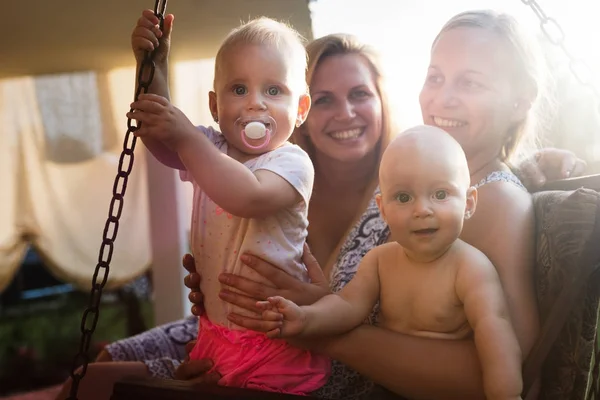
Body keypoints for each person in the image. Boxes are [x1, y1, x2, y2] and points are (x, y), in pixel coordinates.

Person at [57, 9, 587, 400]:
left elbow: (507, 374)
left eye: (469, 82)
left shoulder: (488, 198)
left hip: (304, 372)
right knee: (98, 377)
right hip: (255, 344)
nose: (443, 97)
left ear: (520, 99)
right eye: (435, 77)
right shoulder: (413, 181)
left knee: (103, 388)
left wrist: (314, 323)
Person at [124, 9, 329, 395]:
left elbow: (248, 195)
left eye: (274, 90)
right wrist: (152, 65)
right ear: (216, 106)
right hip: (216, 335)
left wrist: (187, 139)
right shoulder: (210, 147)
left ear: (300, 109)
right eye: (239, 89)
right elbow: (162, 137)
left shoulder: (292, 162)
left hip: (275, 344)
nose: (255, 104)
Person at [257, 125, 523, 400]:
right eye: (404, 197)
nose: (422, 210)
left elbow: (494, 330)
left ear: (468, 203)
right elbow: (347, 305)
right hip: (386, 386)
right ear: (383, 209)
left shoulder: (470, 268)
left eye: (440, 194)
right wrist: (306, 318)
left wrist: (506, 393)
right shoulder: (380, 260)